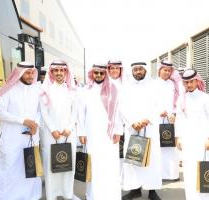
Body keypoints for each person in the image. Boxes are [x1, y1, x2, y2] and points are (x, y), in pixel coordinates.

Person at [0, 61, 42, 200]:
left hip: (30, 136)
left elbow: (40, 111)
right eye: (27, 73)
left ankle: (29, 196)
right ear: (20, 73)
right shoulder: (8, 89)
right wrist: (23, 121)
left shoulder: (36, 89)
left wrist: (36, 125)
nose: (30, 76)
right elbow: (0, 112)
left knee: (28, 167)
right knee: (8, 167)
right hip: (11, 138)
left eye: (32, 73)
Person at [77, 64, 123, 200]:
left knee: (109, 165)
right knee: (94, 165)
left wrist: (118, 131)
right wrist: (81, 132)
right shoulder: (85, 90)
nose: (98, 76)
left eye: (101, 73)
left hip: (109, 135)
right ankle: (93, 196)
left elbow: (118, 112)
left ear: (105, 74)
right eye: (96, 73)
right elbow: (81, 113)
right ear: (92, 74)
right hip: (92, 133)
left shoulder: (113, 89)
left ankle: (110, 195)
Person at [175, 69, 209, 200]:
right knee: (189, 173)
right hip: (188, 141)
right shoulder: (181, 99)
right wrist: (178, 137)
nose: (189, 85)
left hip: (203, 141)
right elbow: (179, 119)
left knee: (205, 171)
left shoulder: (206, 98)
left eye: (191, 81)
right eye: (186, 82)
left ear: (197, 81)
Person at [120, 62, 162, 200]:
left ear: (146, 70)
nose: (138, 72)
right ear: (132, 71)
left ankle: (152, 191)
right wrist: (132, 122)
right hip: (132, 128)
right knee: (134, 160)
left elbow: (158, 105)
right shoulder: (126, 87)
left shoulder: (155, 85)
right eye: (135, 69)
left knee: (152, 160)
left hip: (149, 128)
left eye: (141, 69)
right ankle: (135, 189)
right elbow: (122, 106)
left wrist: (146, 120)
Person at [40, 60, 78, 200]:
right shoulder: (46, 90)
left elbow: (75, 112)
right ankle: (52, 195)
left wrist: (68, 128)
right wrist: (53, 129)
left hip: (68, 134)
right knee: (51, 166)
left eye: (62, 70)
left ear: (66, 72)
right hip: (51, 135)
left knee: (68, 166)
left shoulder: (72, 90)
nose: (59, 73)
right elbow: (44, 112)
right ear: (52, 72)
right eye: (56, 70)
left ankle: (68, 194)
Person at [155, 60, 181, 181]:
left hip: (172, 120)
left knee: (171, 147)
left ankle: (172, 174)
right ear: (159, 70)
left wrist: (174, 114)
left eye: (169, 70)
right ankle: (159, 174)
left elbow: (180, 100)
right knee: (159, 147)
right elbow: (150, 102)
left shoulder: (174, 84)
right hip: (157, 119)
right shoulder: (153, 84)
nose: (167, 72)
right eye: (164, 70)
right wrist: (158, 111)